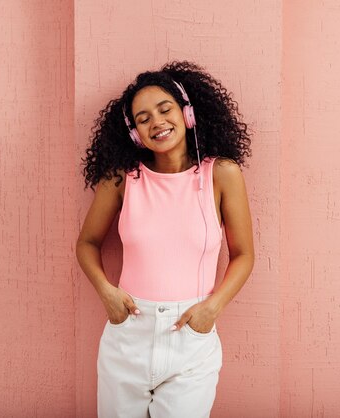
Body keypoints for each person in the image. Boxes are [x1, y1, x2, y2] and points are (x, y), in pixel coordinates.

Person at [76, 60, 254, 418]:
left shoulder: (222, 174)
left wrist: (212, 309)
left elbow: (243, 254)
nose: (156, 122)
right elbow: (87, 243)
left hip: (190, 334)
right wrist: (106, 292)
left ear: (187, 113)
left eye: (164, 109)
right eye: (143, 118)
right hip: (128, 335)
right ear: (134, 132)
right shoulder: (121, 179)